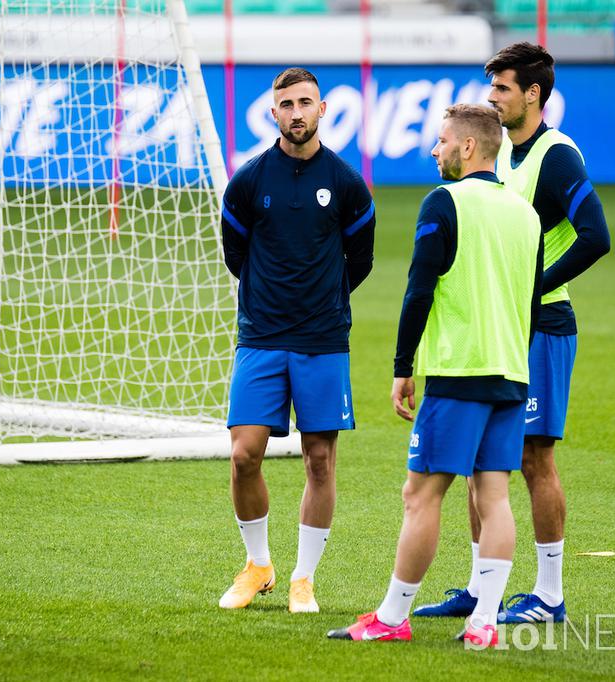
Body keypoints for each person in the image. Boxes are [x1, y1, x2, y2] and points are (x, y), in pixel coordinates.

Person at [327, 104, 542, 647]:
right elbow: (533, 299)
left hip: (458, 372)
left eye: (442, 140)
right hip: (512, 373)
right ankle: (485, 624)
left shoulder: (442, 202)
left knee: (420, 495)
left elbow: (419, 288)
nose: (434, 149)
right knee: (494, 496)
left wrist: (403, 367)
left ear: (468, 147)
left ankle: (393, 617)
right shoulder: (526, 213)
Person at [414, 43, 610, 625]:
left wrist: (535, 288)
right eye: (491, 87)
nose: (492, 97)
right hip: (503, 328)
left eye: (502, 88)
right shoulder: (500, 157)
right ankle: (482, 589)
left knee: (534, 458)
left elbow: (596, 235)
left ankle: (549, 595)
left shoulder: (556, 156)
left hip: (544, 325)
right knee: (483, 459)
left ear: (533, 94)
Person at [218, 67, 375, 614]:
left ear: (324, 109)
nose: (297, 112)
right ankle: (259, 564)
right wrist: (272, 298)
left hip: (323, 340)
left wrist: (322, 301)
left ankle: (303, 579)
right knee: (243, 455)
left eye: (306, 102)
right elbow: (235, 254)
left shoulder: (348, 184)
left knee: (320, 461)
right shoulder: (249, 181)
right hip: (261, 336)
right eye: (286, 104)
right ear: (273, 113)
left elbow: (362, 260)